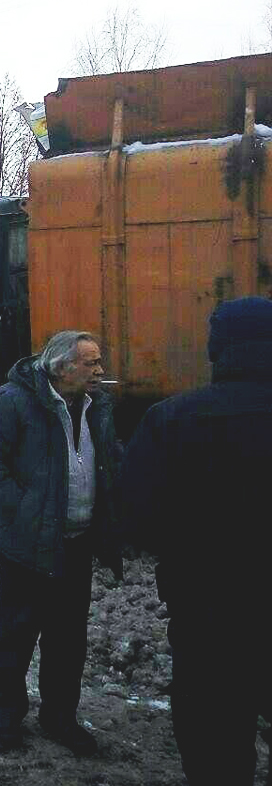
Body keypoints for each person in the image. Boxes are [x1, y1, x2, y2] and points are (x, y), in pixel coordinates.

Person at [121, 296, 272, 785]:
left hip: (206, 605)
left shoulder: (170, 419)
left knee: (213, 735)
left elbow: (137, 520)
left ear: (216, 349)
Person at [0, 331, 124, 756]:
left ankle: (59, 718)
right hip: (27, 546)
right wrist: (22, 510)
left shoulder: (97, 408)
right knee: (15, 635)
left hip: (76, 544)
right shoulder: (11, 401)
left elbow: (110, 460)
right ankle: (7, 720)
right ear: (61, 368)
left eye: (98, 362)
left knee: (68, 640)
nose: (99, 371)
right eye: (90, 363)